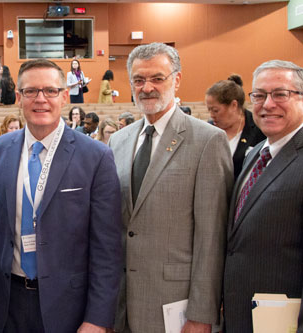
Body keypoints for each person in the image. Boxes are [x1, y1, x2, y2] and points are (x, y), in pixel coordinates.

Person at [0, 59, 122, 332]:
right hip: (9, 300)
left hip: (71, 305)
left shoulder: (96, 156)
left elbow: (107, 246)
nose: (40, 99)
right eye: (31, 91)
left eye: (50, 91)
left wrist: (98, 318)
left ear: (64, 96)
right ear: (18, 97)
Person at [108, 42, 233, 332]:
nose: (147, 87)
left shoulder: (207, 141)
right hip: (121, 303)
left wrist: (202, 313)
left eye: (157, 78)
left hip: (177, 306)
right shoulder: (119, 140)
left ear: (176, 80)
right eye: (138, 80)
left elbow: (211, 238)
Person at [223, 60, 303, 333]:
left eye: (280, 94)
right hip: (243, 316)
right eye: (259, 95)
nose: (267, 104)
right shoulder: (256, 154)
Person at [206, 74, 266, 179]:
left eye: (215, 110)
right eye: (209, 110)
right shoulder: (208, 129)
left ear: (233, 105)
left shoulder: (259, 129)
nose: (211, 115)